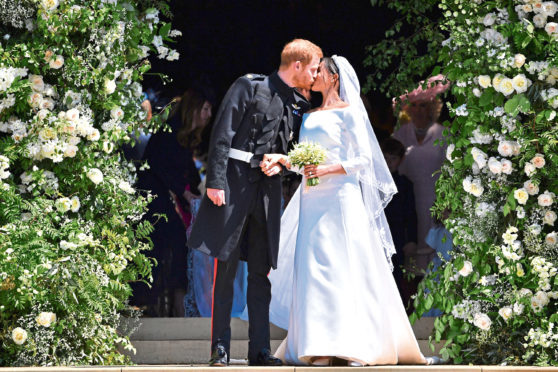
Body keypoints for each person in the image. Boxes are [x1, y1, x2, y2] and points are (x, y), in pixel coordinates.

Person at [261, 56, 429, 366]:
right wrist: (286, 161)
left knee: (344, 268)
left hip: (341, 198)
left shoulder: (350, 113)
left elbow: (363, 159)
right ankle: (318, 346)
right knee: (314, 270)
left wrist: (327, 169)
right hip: (312, 199)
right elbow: (304, 161)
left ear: (334, 78)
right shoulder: (309, 116)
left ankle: (354, 343)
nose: (315, 76)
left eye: (320, 71)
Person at [187, 39, 323, 367]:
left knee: (261, 273)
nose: (316, 75)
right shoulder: (249, 86)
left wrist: (282, 162)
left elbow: (295, 150)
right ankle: (219, 348)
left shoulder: (299, 105)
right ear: (298, 65)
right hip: (233, 186)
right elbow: (222, 133)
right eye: (314, 67)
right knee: (227, 266)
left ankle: (259, 350)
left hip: (268, 192)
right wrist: (216, 183)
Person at [134, 88, 213, 317]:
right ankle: (155, 302)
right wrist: (185, 193)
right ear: (194, 109)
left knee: (172, 244)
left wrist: (199, 191)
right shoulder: (170, 131)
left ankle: (170, 302)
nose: (208, 115)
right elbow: (160, 165)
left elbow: (189, 171)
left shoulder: (183, 136)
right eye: (206, 109)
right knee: (164, 244)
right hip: (152, 196)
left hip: (164, 197)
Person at [392, 75, 450, 275]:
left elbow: (452, 173)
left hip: (436, 201)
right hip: (407, 202)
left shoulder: (443, 135)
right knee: (410, 256)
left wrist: (448, 204)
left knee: (436, 254)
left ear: (432, 108)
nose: (418, 110)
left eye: (423, 105)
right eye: (414, 105)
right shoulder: (399, 135)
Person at [381, 137, 418, 304]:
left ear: (401, 160)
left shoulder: (404, 184)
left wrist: (411, 240)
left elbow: (411, 215)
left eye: (393, 159)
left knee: (395, 276)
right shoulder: (371, 183)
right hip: (374, 236)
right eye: (385, 158)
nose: (388, 163)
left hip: (396, 237)